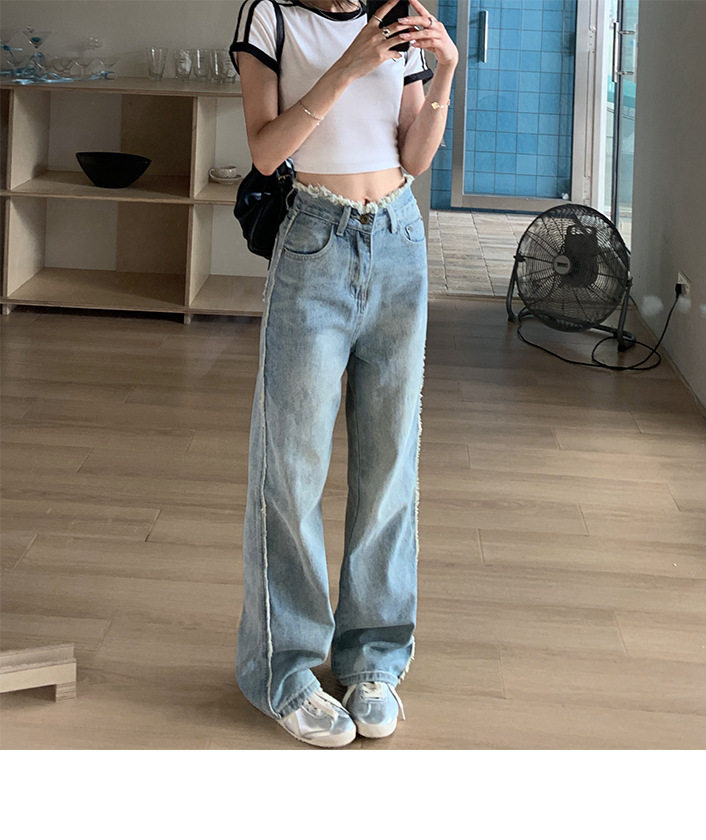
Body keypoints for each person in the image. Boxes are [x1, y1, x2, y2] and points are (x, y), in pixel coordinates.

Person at [229, 0, 458, 747]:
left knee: (391, 462)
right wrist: (350, 65)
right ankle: (283, 668)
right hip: (314, 243)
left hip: (398, 239)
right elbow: (267, 151)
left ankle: (373, 660)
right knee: (291, 469)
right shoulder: (269, 16)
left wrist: (445, 72)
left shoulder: (399, 16)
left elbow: (414, 156)